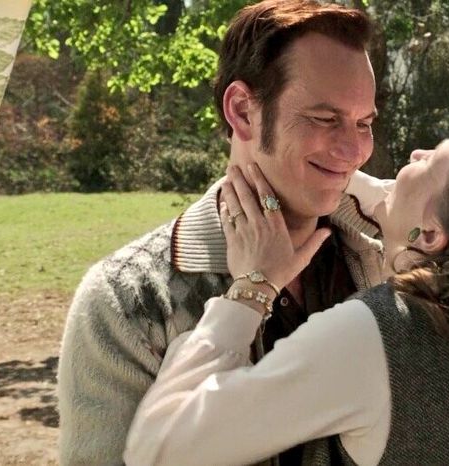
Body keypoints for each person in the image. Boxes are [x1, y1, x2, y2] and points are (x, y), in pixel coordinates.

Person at [123, 128, 449, 466]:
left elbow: (160, 449)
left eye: (429, 162)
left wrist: (252, 287)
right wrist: (336, 176)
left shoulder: (374, 337)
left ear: (432, 236)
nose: (414, 152)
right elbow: (403, 211)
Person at [57, 1, 385, 464]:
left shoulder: (382, 258)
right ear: (243, 111)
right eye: (325, 119)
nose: (355, 150)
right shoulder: (127, 301)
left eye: (364, 123)